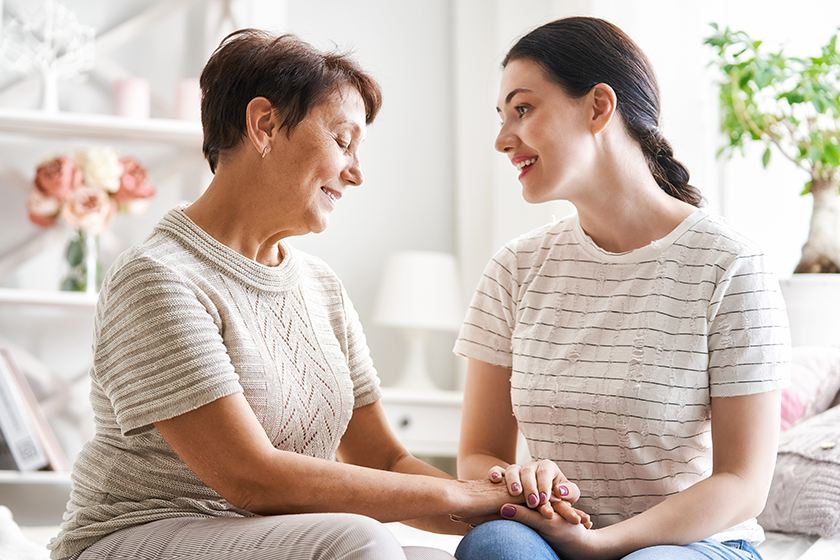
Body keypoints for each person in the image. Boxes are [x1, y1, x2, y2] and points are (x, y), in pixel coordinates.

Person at [47, 29, 526, 560]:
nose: (357, 173)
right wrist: (459, 491)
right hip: (136, 536)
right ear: (265, 125)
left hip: (271, 541)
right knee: (361, 541)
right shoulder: (157, 277)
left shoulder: (320, 286)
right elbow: (252, 479)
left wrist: (511, 508)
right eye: (343, 141)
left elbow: (385, 465)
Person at [453, 16, 790, 560]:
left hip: (691, 545)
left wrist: (602, 545)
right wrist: (520, 481)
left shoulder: (730, 265)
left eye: (523, 108)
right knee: (496, 546)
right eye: (501, 116)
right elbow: (478, 454)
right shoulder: (515, 268)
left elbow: (743, 480)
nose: (501, 139)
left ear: (598, 107)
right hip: (552, 536)